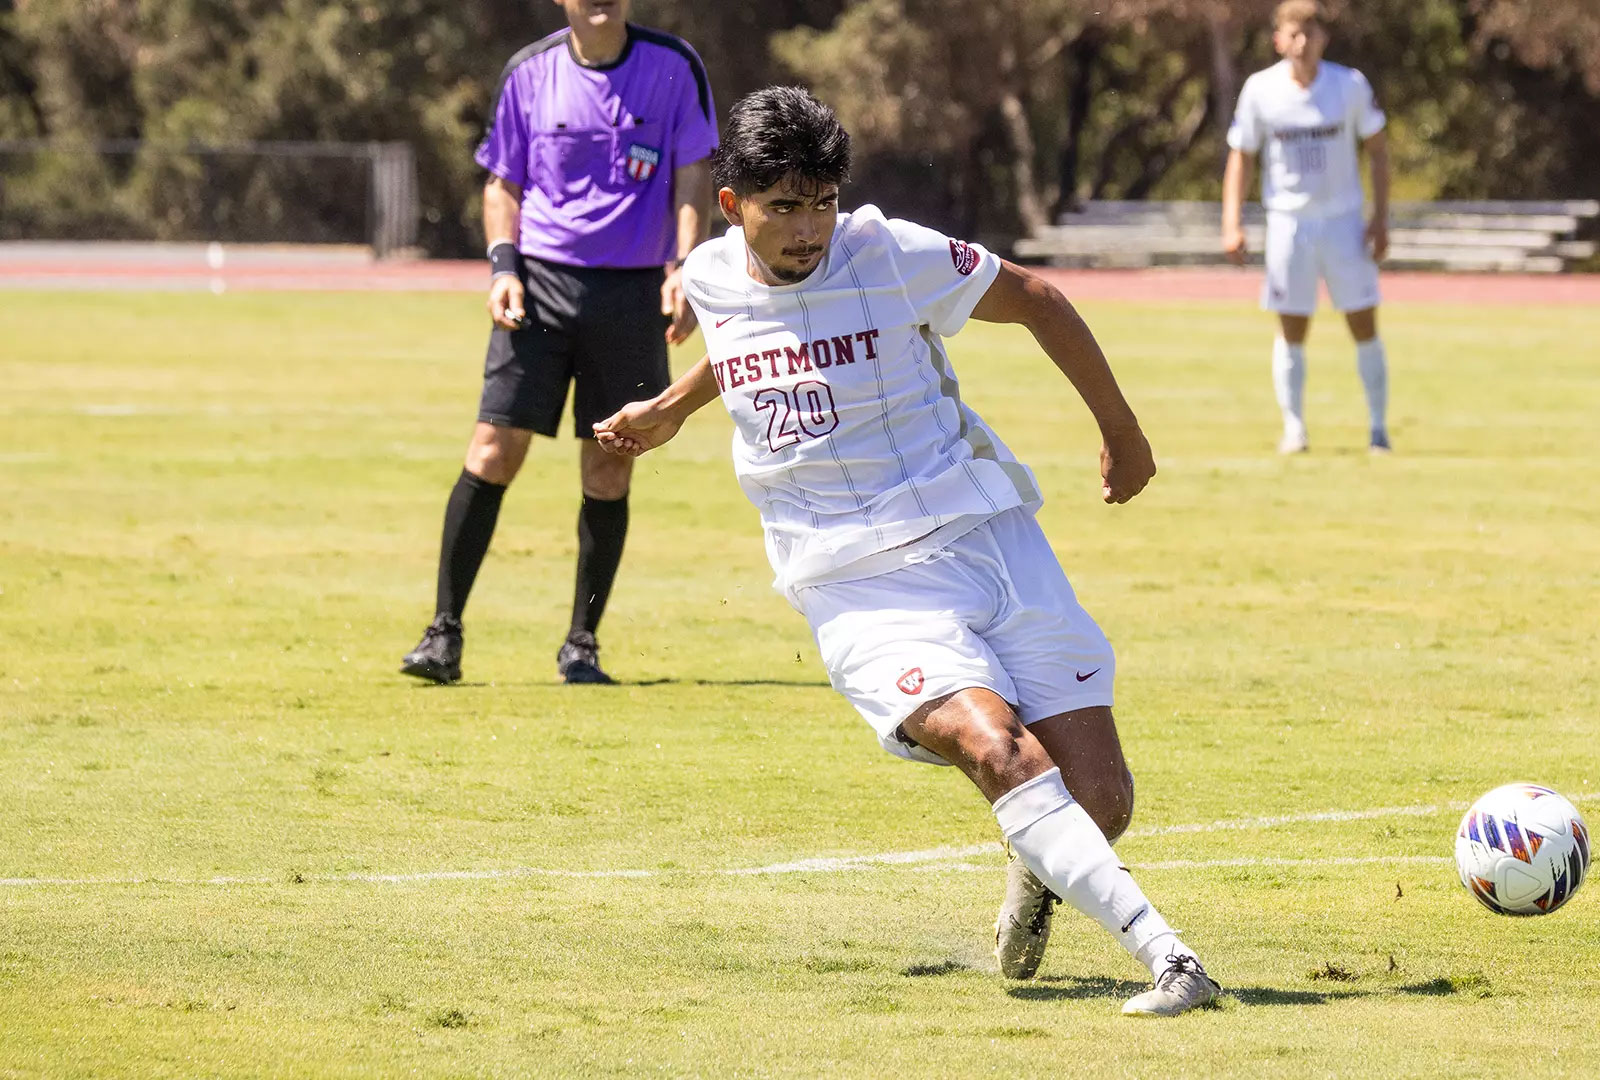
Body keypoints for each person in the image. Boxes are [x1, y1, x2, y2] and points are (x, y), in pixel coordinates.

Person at [594, 87, 1219, 1017]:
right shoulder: (710, 276)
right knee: (995, 747)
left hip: (984, 534)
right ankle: (1173, 961)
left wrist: (1121, 432)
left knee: (1101, 799)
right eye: (784, 207)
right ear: (733, 206)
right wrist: (669, 410)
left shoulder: (890, 252)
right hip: (854, 580)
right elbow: (749, 342)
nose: (808, 230)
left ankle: (1040, 862)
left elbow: (1040, 298)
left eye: (822, 204)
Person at [399, 0, 718, 685]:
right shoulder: (529, 71)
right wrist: (503, 268)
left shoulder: (673, 66)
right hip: (540, 286)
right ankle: (442, 635)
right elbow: (502, 183)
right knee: (492, 451)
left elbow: (694, 171)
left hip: (632, 292)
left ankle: (581, 645)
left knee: (610, 463)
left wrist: (686, 267)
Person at [1221, 0, 1393, 455]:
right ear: (1279, 40)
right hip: (1288, 222)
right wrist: (1231, 221)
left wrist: (1380, 218)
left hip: (1343, 221)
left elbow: (1378, 150)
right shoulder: (1260, 89)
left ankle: (1378, 429)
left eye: (1311, 33)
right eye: (1294, 34)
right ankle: (1294, 428)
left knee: (1363, 322)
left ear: (1323, 38)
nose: (1303, 42)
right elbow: (1242, 156)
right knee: (1292, 326)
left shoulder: (1349, 85)